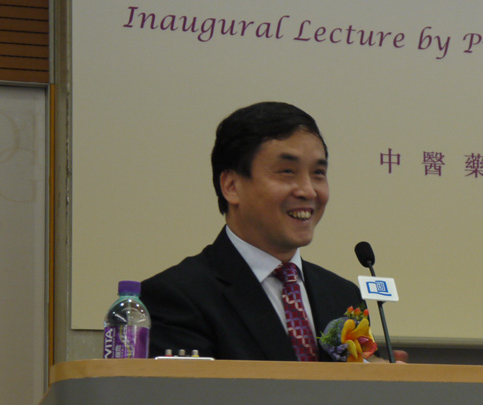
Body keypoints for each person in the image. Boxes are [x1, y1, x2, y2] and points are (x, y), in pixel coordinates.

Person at [140, 101, 364, 361]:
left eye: (318, 173)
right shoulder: (176, 296)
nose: (308, 190)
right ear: (231, 186)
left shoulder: (342, 295)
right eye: (287, 171)